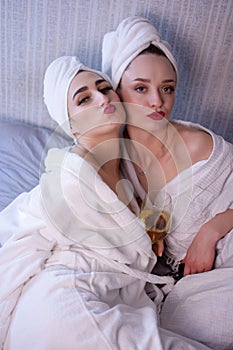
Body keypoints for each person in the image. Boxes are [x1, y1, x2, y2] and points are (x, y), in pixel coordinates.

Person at [0, 56, 212, 350]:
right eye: (84, 99)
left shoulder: (129, 162)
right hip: (65, 301)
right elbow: (18, 234)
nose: (102, 98)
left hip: (114, 296)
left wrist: (153, 224)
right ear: (70, 125)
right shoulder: (68, 179)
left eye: (104, 88)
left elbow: (139, 227)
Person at [102, 15, 233, 277]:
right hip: (188, 280)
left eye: (167, 88)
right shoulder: (117, 161)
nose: (157, 101)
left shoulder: (200, 146)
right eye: (141, 88)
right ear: (117, 93)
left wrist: (211, 231)